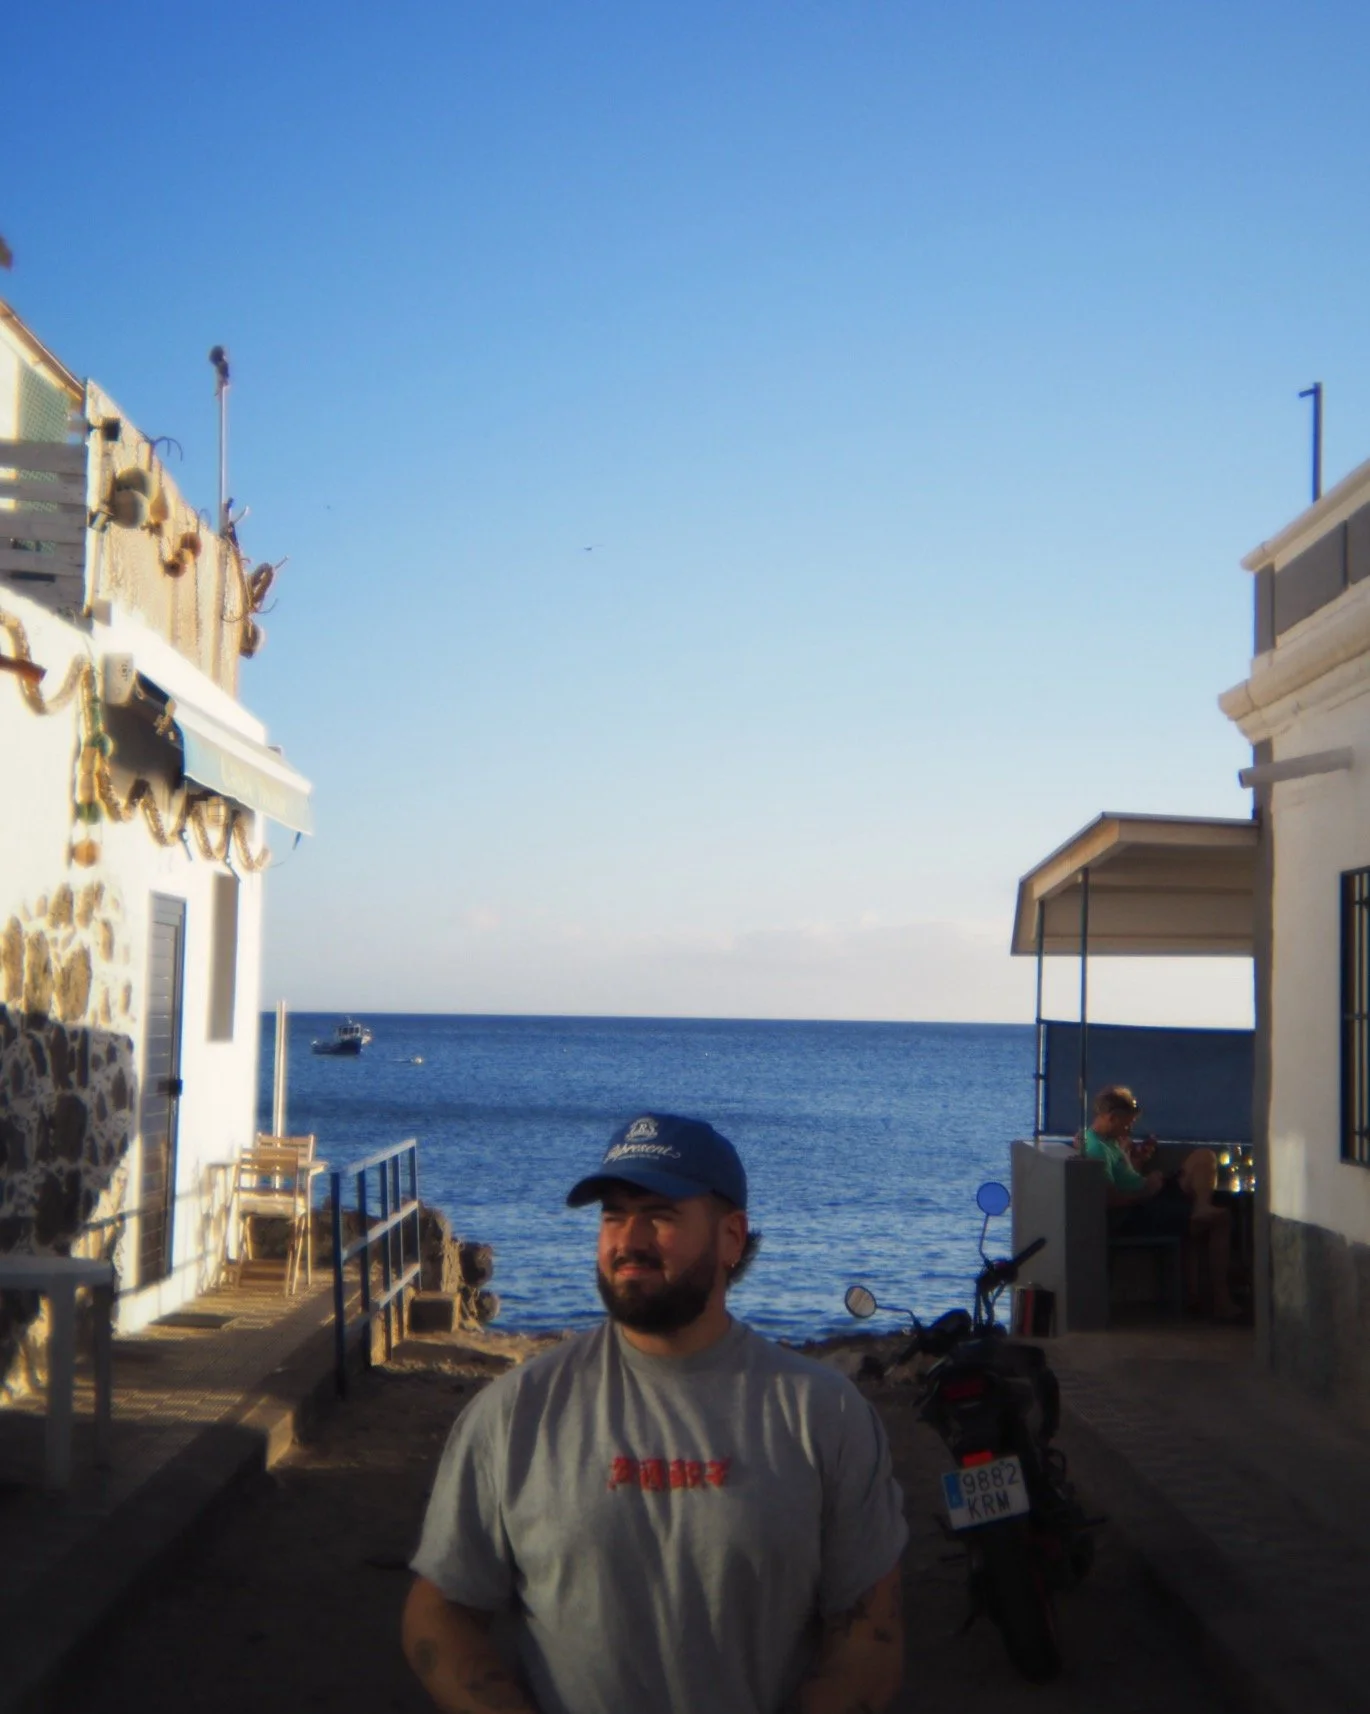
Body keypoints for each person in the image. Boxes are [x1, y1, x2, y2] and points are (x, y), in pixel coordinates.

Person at [403, 1112, 908, 1714]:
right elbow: (440, 1613)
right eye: (613, 1215)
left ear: (731, 1237)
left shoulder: (824, 1414)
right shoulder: (514, 1413)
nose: (629, 1241)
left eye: (660, 1215)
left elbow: (869, 1630)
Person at [1080, 1086, 1239, 1319]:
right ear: (1112, 1118)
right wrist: (1146, 1191)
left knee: (1204, 1157)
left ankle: (1200, 1207)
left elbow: (1126, 1178)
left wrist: (1139, 1164)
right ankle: (1221, 1301)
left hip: (1149, 1194)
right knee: (1221, 1219)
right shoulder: (1096, 1149)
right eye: (1127, 1124)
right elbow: (1109, 1199)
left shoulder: (1111, 1141)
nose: (1130, 1129)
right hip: (1137, 1213)